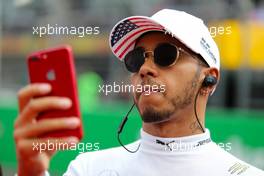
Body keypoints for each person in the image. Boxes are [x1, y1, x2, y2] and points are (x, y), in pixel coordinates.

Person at [14, 9, 264, 176]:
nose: (145, 68)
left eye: (166, 55)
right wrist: (30, 171)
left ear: (208, 79)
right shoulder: (88, 169)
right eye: (135, 59)